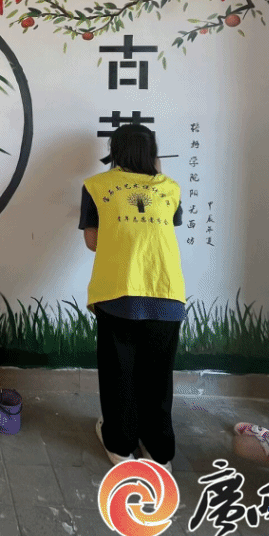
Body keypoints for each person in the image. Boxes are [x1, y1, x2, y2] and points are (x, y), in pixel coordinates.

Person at [80, 124, 184, 469]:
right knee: (158, 378)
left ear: (115, 150)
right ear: (152, 152)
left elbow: (93, 242)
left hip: (118, 293)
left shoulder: (96, 186)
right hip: (166, 294)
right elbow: (163, 227)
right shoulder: (170, 188)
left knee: (119, 373)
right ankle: (159, 452)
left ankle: (120, 445)